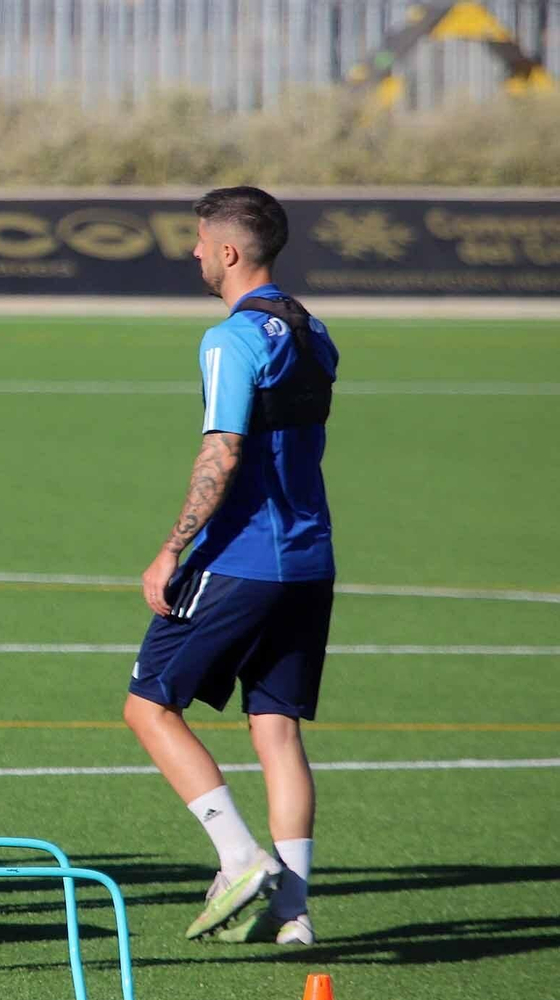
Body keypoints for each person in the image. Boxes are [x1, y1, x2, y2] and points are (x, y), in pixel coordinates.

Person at [123, 186, 338, 946]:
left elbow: (224, 448)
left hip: (244, 560)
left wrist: (172, 546)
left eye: (198, 240)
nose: (192, 252)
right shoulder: (314, 333)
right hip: (312, 562)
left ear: (228, 251)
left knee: (148, 705)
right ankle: (293, 912)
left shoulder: (230, 340)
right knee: (275, 728)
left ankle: (239, 856)